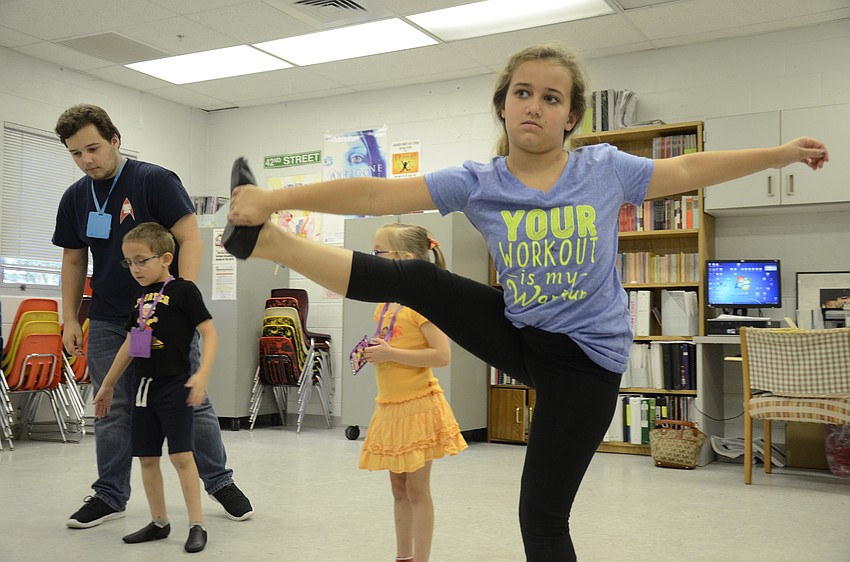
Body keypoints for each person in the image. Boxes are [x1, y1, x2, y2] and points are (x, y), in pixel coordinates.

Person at [224, 43, 829, 561]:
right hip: (520, 334)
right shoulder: (479, 180)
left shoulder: (604, 169)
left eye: (551, 97)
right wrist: (275, 200)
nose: (534, 105)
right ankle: (265, 240)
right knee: (416, 277)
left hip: (586, 365)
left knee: (541, 519)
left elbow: (692, 165)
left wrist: (778, 155)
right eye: (522, 92)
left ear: (570, 117)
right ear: (503, 105)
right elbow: (383, 194)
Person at [52, 104, 253, 529]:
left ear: (114, 140)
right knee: (112, 405)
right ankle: (109, 494)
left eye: (93, 148)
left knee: (190, 399)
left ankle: (219, 482)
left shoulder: (154, 180)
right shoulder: (74, 198)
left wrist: (180, 300)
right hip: (109, 319)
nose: (86, 160)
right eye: (75, 153)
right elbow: (74, 261)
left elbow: (188, 237)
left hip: (165, 319)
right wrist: (70, 318)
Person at [93, 223, 216, 553]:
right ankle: (159, 522)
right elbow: (133, 343)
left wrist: (202, 374)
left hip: (175, 386)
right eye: (129, 262)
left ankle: (196, 524)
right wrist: (107, 385)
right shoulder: (139, 297)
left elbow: (210, 333)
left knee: (181, 457)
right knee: (147, 458)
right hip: (142, 388)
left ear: (165, 258)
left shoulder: (184, 291)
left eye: (141, 260)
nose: (134, 269)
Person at [359, 223, 468, 562]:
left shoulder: (422, 304)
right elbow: (395, 343)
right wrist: (376, 349)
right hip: (390, 407)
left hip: (418, 407)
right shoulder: (386, 305)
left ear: (404, 259)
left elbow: (442, 356)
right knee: (398, 490)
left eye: (379, 253)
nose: (373, 259)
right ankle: (402, 556)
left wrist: (391, 354)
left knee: (418, 490)